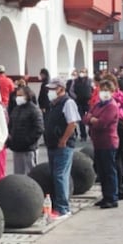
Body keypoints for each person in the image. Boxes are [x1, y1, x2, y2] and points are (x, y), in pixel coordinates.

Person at [43, 77, 80, 219]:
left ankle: (63, 208)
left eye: (53, 88)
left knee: (60, 175)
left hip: (63, 145)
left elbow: (72, 123)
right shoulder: (54, 104)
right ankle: (58, 205)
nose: (50, 91)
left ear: (61, 88)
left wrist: (64, 139)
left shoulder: (68, 102)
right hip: (52, 143)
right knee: (55, 175)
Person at [83, 79, 119, 208]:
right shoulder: (98, 105)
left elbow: (102, 123)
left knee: (109, 171)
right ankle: (105, 196)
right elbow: (86, 117)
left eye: (106, 90)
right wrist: (91, 119)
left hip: (108, 142)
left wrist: (92, 119)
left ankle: (112, 197)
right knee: (101, 171)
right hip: (97, 142)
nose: (103, 93)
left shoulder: (112, 106)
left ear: (112, 92)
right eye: (101, 90)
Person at [6, 84, 43, 175]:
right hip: (16, 148)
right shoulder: (16, 109)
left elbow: (39, 128)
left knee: (31, 173)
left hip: (28, 149)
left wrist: (27, 141)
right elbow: (11, 125)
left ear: (27, 96)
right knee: (18, 174)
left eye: (20, 95)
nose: (18, 98)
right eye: (17, 95)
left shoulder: (34, 110)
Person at [70, 69, 93, 142]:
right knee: (81, 120)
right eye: (81, 71)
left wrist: (92, 98)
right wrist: (76, 97)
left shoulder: (90, 80)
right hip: (79, 102)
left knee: (90, 118)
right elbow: (71, 90)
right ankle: (83, 135)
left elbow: (94, 89)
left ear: (86, 73)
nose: (82, 73)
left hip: (88, 102)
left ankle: (91, 133)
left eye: (83, 72)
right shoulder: (76, 81)